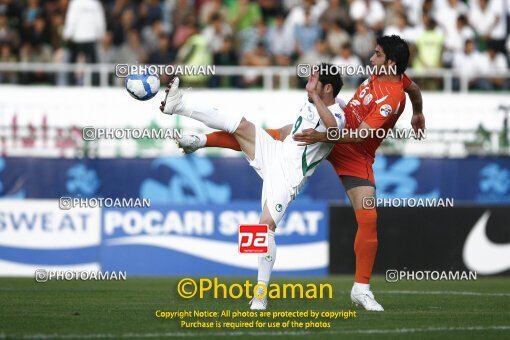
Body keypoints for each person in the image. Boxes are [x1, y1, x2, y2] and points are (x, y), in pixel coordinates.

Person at [176, 36, 425, 312]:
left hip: (351, 147)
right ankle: (199, 139)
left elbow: (360, 136)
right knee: (274, 135)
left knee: (368, 218)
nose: (371, 59)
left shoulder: (391, 96)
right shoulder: (395, 78)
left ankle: (361, 290)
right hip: (332, 128)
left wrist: (322, 134)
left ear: (391, 63)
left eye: (377, 55)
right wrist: (418, 113)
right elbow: (414, 90)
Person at [160, 64, 346, 311]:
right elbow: (286, 131)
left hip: (288, 176)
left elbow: (334, 129)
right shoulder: (312, 103)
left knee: (264, 228)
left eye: (314, 80)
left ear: (328, 88)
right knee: (241, 124)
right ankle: (179, 105)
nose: (308, 84)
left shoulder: (336, 114)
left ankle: (260, 296)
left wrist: (316, 97)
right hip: (276, 153)